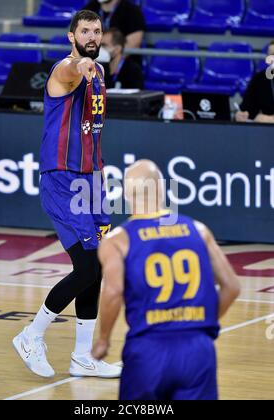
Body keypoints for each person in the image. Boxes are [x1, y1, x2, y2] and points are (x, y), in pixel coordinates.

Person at [12, 10, 121, 379]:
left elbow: (92, 129)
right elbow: (75, 72)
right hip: (62, 180)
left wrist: (101, 178)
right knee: (86, 266)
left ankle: (83, 357)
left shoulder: (100, 73)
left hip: (91, 181)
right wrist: (82, 67)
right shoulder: (66, 70)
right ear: (71, 35)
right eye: (85, 30)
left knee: (99, 266)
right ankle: (31, 335)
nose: (92, 35)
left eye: (97, 30)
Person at [92, 160, 240, 400]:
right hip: (197, 351)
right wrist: (200, 324)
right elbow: (232, 287)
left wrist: (103, 340)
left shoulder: (117, 241)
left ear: (127, 195)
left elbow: (113, 292)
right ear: (162, 189)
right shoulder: (199, 230)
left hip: (148, 350)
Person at [236, 41, 274, 124]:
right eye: (269, 55)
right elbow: (247, 109)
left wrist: (270, 119)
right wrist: (241, 115)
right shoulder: (260, 79)